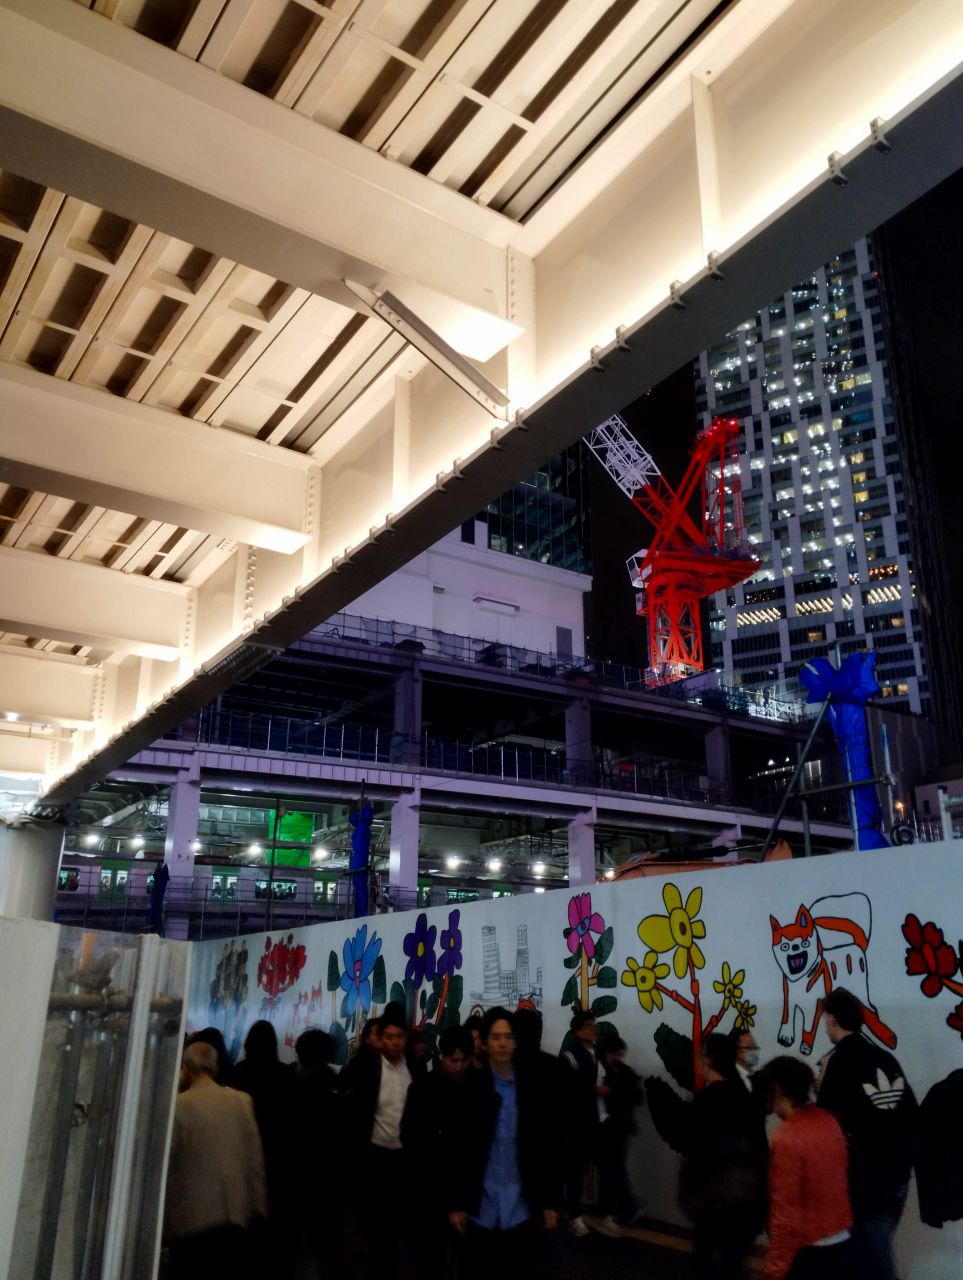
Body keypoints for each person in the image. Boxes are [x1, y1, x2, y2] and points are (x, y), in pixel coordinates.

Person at [447, 1007, 562, 1280]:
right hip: (480, 1207)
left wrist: (549, 1200)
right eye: (495, 1037)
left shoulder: (530, 1088)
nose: (502, 1043)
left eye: (508, 1037)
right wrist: (455, 1202)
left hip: (521, 1206)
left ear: (515, 1042)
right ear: (485, 1043)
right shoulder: (471, 1087)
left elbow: (544, 1146)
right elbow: (457, 1149)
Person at [816, 987, 917, 1280]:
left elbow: (827, 1122)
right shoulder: (886, 1058)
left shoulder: (838, 1062)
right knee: (871, 1254)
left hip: (864, 1179)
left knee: (872, 1264)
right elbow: (911, 1113)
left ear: (832, 1019)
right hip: (898, 1175)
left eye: (825, 1020)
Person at [164, 1042, 266, 1280]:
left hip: (190, 1217)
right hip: (234, 1212)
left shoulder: (179, 1105)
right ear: (215, 1068)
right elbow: (254, 1160)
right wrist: (258, 1205)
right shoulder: (241, 1101)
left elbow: (168, 1162)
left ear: (186, 1069)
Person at [680, 1033, 768, 1280]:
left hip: (712, 1194)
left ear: (707, 1060)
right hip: (744, 1192)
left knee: (706, 1257)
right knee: (733, 1260)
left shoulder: (706, 1099)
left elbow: (694, 1146)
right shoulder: (746, 1096)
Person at [758, 1056, 853, 1279]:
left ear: (778, 1089)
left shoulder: (787, 1137)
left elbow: (785, 1211)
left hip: (809, 1248)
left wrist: (775, 1268)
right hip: (841, 1237)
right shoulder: (829, 1121)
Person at [340, 1007, 413, 1278]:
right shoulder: (369, 1066)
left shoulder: (413, 1067)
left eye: (399, 1037)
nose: (395, 1042)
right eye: (389, 1037)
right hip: (375, 1153)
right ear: (380, 1039)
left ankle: (390, 1260)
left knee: (397, 1217)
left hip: (403, 1155)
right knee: (374, 1217)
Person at [401, 1026, 476, 1280]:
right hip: (429, 1190)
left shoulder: (475, 1089)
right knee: (431, 1260)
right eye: (453, 1060)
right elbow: (409, 1137)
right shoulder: (422, 1088)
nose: (458, 1066)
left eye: (463, 1061)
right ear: (442, 1055)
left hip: (462, 1191)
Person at [558, 1008, 604, 1236]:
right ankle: (573, 1215)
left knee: (587, 1167)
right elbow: (568, 1088)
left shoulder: (598, 1054)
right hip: (575, 1123)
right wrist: (594, 1089)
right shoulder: (570, 1056)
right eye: (587, 1026)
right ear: (577, 1031)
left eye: (593, 1024)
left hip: (593, 1121)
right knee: (574, 1170)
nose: (592, 1029)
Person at [597, 1037, 643, 1227]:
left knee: (612, 1167)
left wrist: (613, 1091)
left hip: (614, 1126)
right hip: (618, 1125)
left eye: (620, 1054)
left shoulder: (611, 1072)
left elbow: (637, 1097)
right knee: (613, 1167)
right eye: (616, 1054)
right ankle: (618, 1207)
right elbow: (637, 1097)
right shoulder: (625, 1072)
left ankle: (621, 1206)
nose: (619, 1058)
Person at [731, 1028, 760, 1093]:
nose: (754, 1051)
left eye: (755, 1047)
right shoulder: (730, 1079)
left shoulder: (759, 1077)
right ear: (736, 1051)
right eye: (749, 1048)